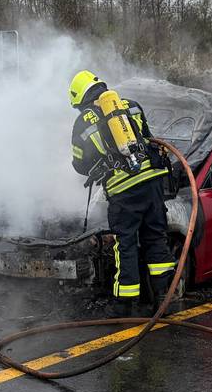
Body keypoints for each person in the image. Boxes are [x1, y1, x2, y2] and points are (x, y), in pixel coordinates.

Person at [68, 70, 176, 316]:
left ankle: (124, 305)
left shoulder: (84, 120)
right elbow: (148, 138)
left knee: (125, 244)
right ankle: (163, 297)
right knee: (156, 238)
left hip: (124, 190)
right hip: (152, 184)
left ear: (80, 99)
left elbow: (79, 163)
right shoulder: (131, 105)